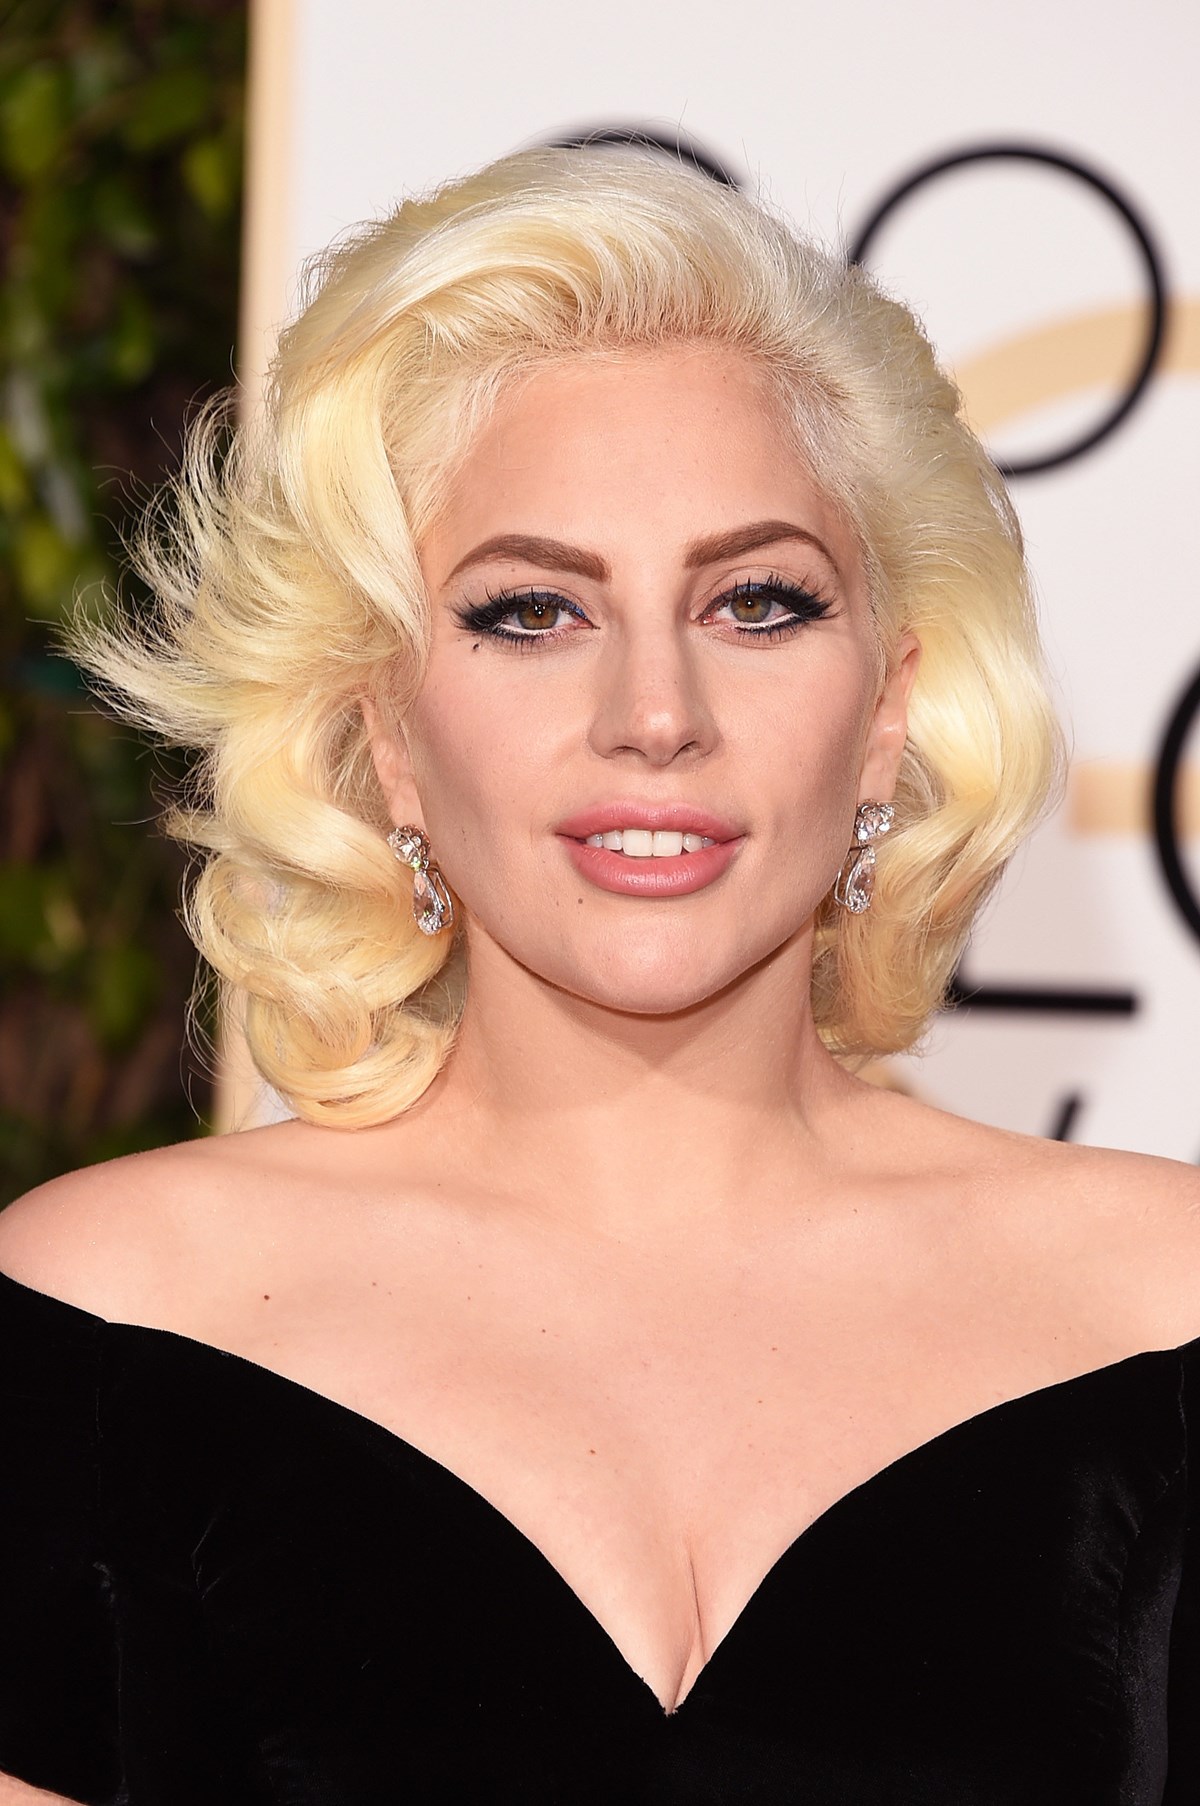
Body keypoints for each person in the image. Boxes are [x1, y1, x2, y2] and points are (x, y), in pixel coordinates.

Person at [1, 142, 1198, 1806]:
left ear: (889, 709)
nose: (654, 713)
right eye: (531, 612)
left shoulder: (1163, 1307)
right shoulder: (100, 1321)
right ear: (383, 731)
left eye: (757, 603)